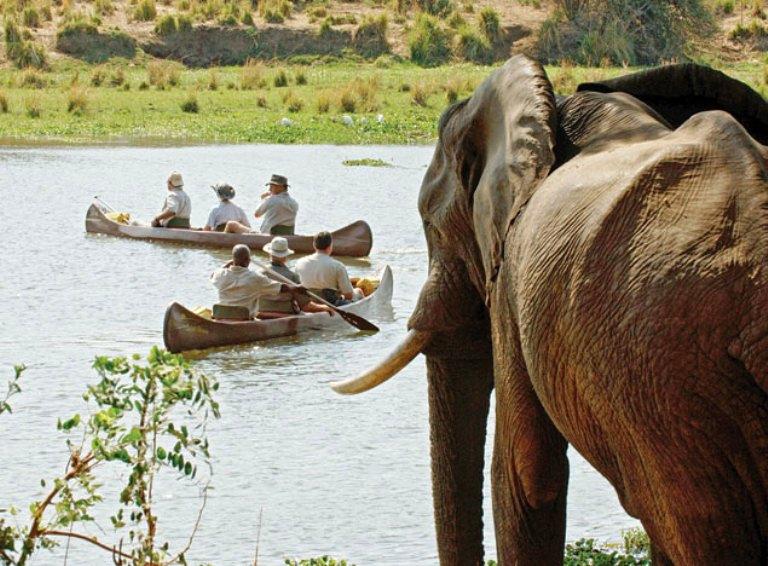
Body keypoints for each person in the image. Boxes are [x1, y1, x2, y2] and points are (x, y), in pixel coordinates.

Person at [210, 244, 306, 318]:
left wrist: (232, 261)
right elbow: (282, 288)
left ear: (233, 259)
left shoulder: (220, 274)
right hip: (243, 318)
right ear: (248, 261)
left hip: (221, 316)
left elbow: (213, 274)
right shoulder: (255, 278)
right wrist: (297, 288)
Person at [258, 236, 335, 316]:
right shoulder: (292, 277)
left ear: (270, 254)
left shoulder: (259, 273)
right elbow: (306, 306)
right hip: (285, 314)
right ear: (285, 256)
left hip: (262, 313)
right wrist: (325, 307)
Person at [295, 231, 363, 305]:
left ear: (314, 245)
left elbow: (297, 287)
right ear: (330, 246)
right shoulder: (338, 266)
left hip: (308, 303)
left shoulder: (299, 263)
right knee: (358, 291)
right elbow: (349, 296)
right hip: (330, 304)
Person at [224, 174, 298, 235]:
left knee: (231, 224)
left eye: (272, 186)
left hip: (266, 236)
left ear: (280, 187)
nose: (269, 189)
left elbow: (257, 214)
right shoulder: (294, 203)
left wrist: (263, 199)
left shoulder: (271, 199)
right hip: (287, 236)